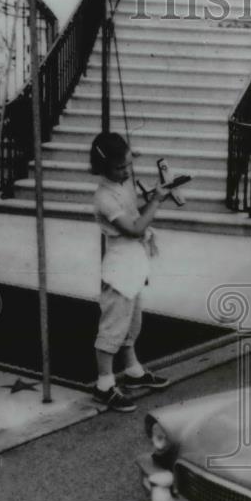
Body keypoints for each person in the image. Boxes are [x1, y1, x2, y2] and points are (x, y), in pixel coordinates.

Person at [90, 132, 172, 413]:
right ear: (102, 167)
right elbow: (134, 228)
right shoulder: (103, 197)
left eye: (127, 165)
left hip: (134, 261)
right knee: (113, 326)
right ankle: (103, 385)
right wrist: (157, 201)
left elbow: (134, 210)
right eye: (119, 167)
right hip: (118, 266)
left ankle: (133, 371)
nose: (126, 171)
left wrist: (149, 195)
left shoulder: (122, 182)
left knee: (132, 323)